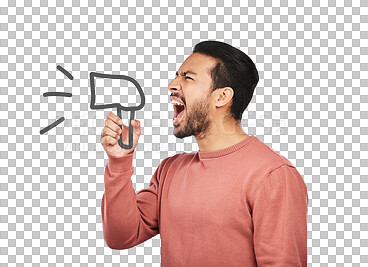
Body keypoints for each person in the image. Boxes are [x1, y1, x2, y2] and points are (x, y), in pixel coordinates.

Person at [100, 40, 308, 266]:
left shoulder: (272, 175)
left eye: (187, 77)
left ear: (221, 97)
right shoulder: (170, 170)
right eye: (177, 75)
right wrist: (119, 162)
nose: (172, 84)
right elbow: (121, 237)